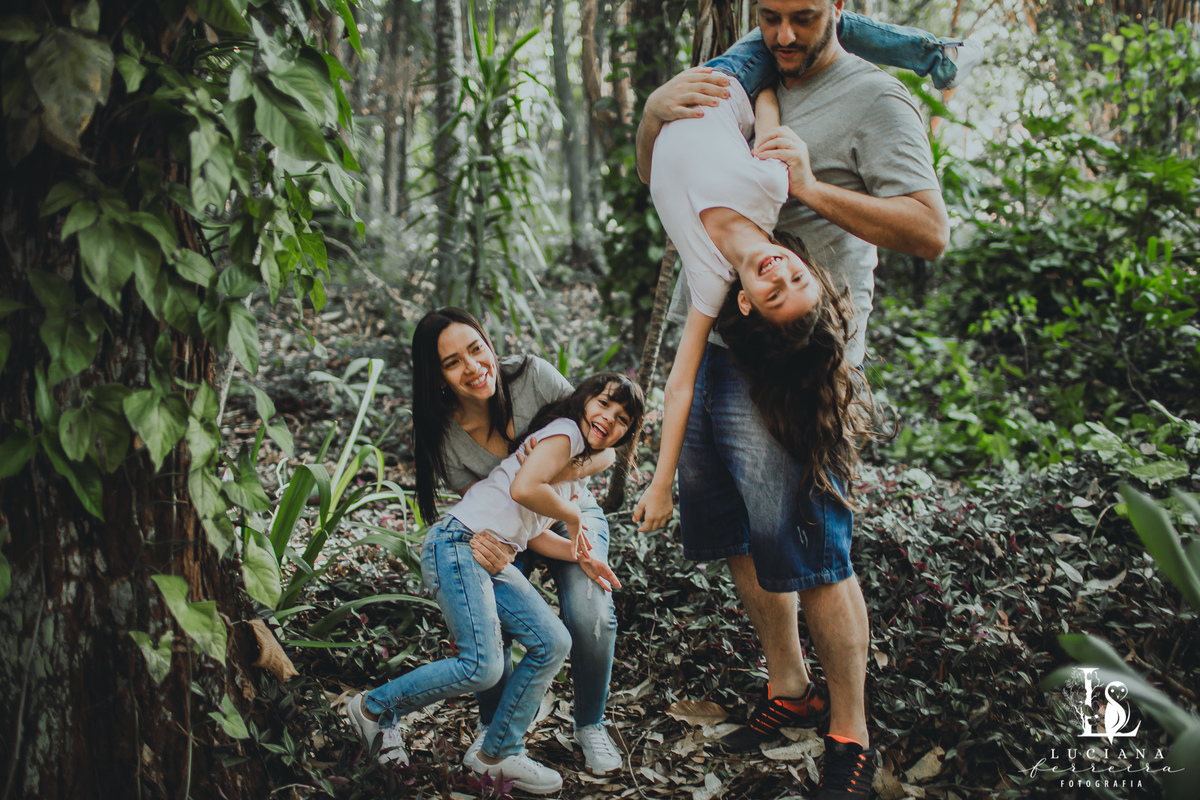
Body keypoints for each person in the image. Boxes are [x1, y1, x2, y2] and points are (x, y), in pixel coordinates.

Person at [634, 1, 950, 798]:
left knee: (811, 542)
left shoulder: (875, 97)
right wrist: (650, 117)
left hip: (799, 361)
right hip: (719, 336)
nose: (781, 35)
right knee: (739, 531)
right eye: (768, 16)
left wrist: (808, 185)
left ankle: (850, 731)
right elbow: (661, 174)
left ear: (838, 8)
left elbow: (928, 231)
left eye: (802, 18)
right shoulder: (750, 80)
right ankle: (789, 687)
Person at [344, 370, 645, 795]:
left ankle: (497, 753)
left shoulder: (572, 469)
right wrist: (574, 517)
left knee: (553, 642)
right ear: (583, 401)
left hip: (489, 556)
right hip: (458, 545)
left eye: (622, 419)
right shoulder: (564, 434)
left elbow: (533, 534)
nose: (609, 418)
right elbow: (524, 488)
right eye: (604, 404)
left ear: (626, 434)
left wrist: (583, 556)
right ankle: (375, 708)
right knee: (481, 666)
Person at [408, 307, 626, 776]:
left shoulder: (533, 376)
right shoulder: (444, 437)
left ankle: (590, 723)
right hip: (508, 531)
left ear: (489, 344)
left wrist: (550, 479)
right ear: (437, 376)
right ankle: (494, 729)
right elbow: (492, 511)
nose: (473, 367)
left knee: (590, 612)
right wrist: (505, 537)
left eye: (476, 349)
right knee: (491, 614)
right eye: (452, 363)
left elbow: (604, 448)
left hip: (572, 510)